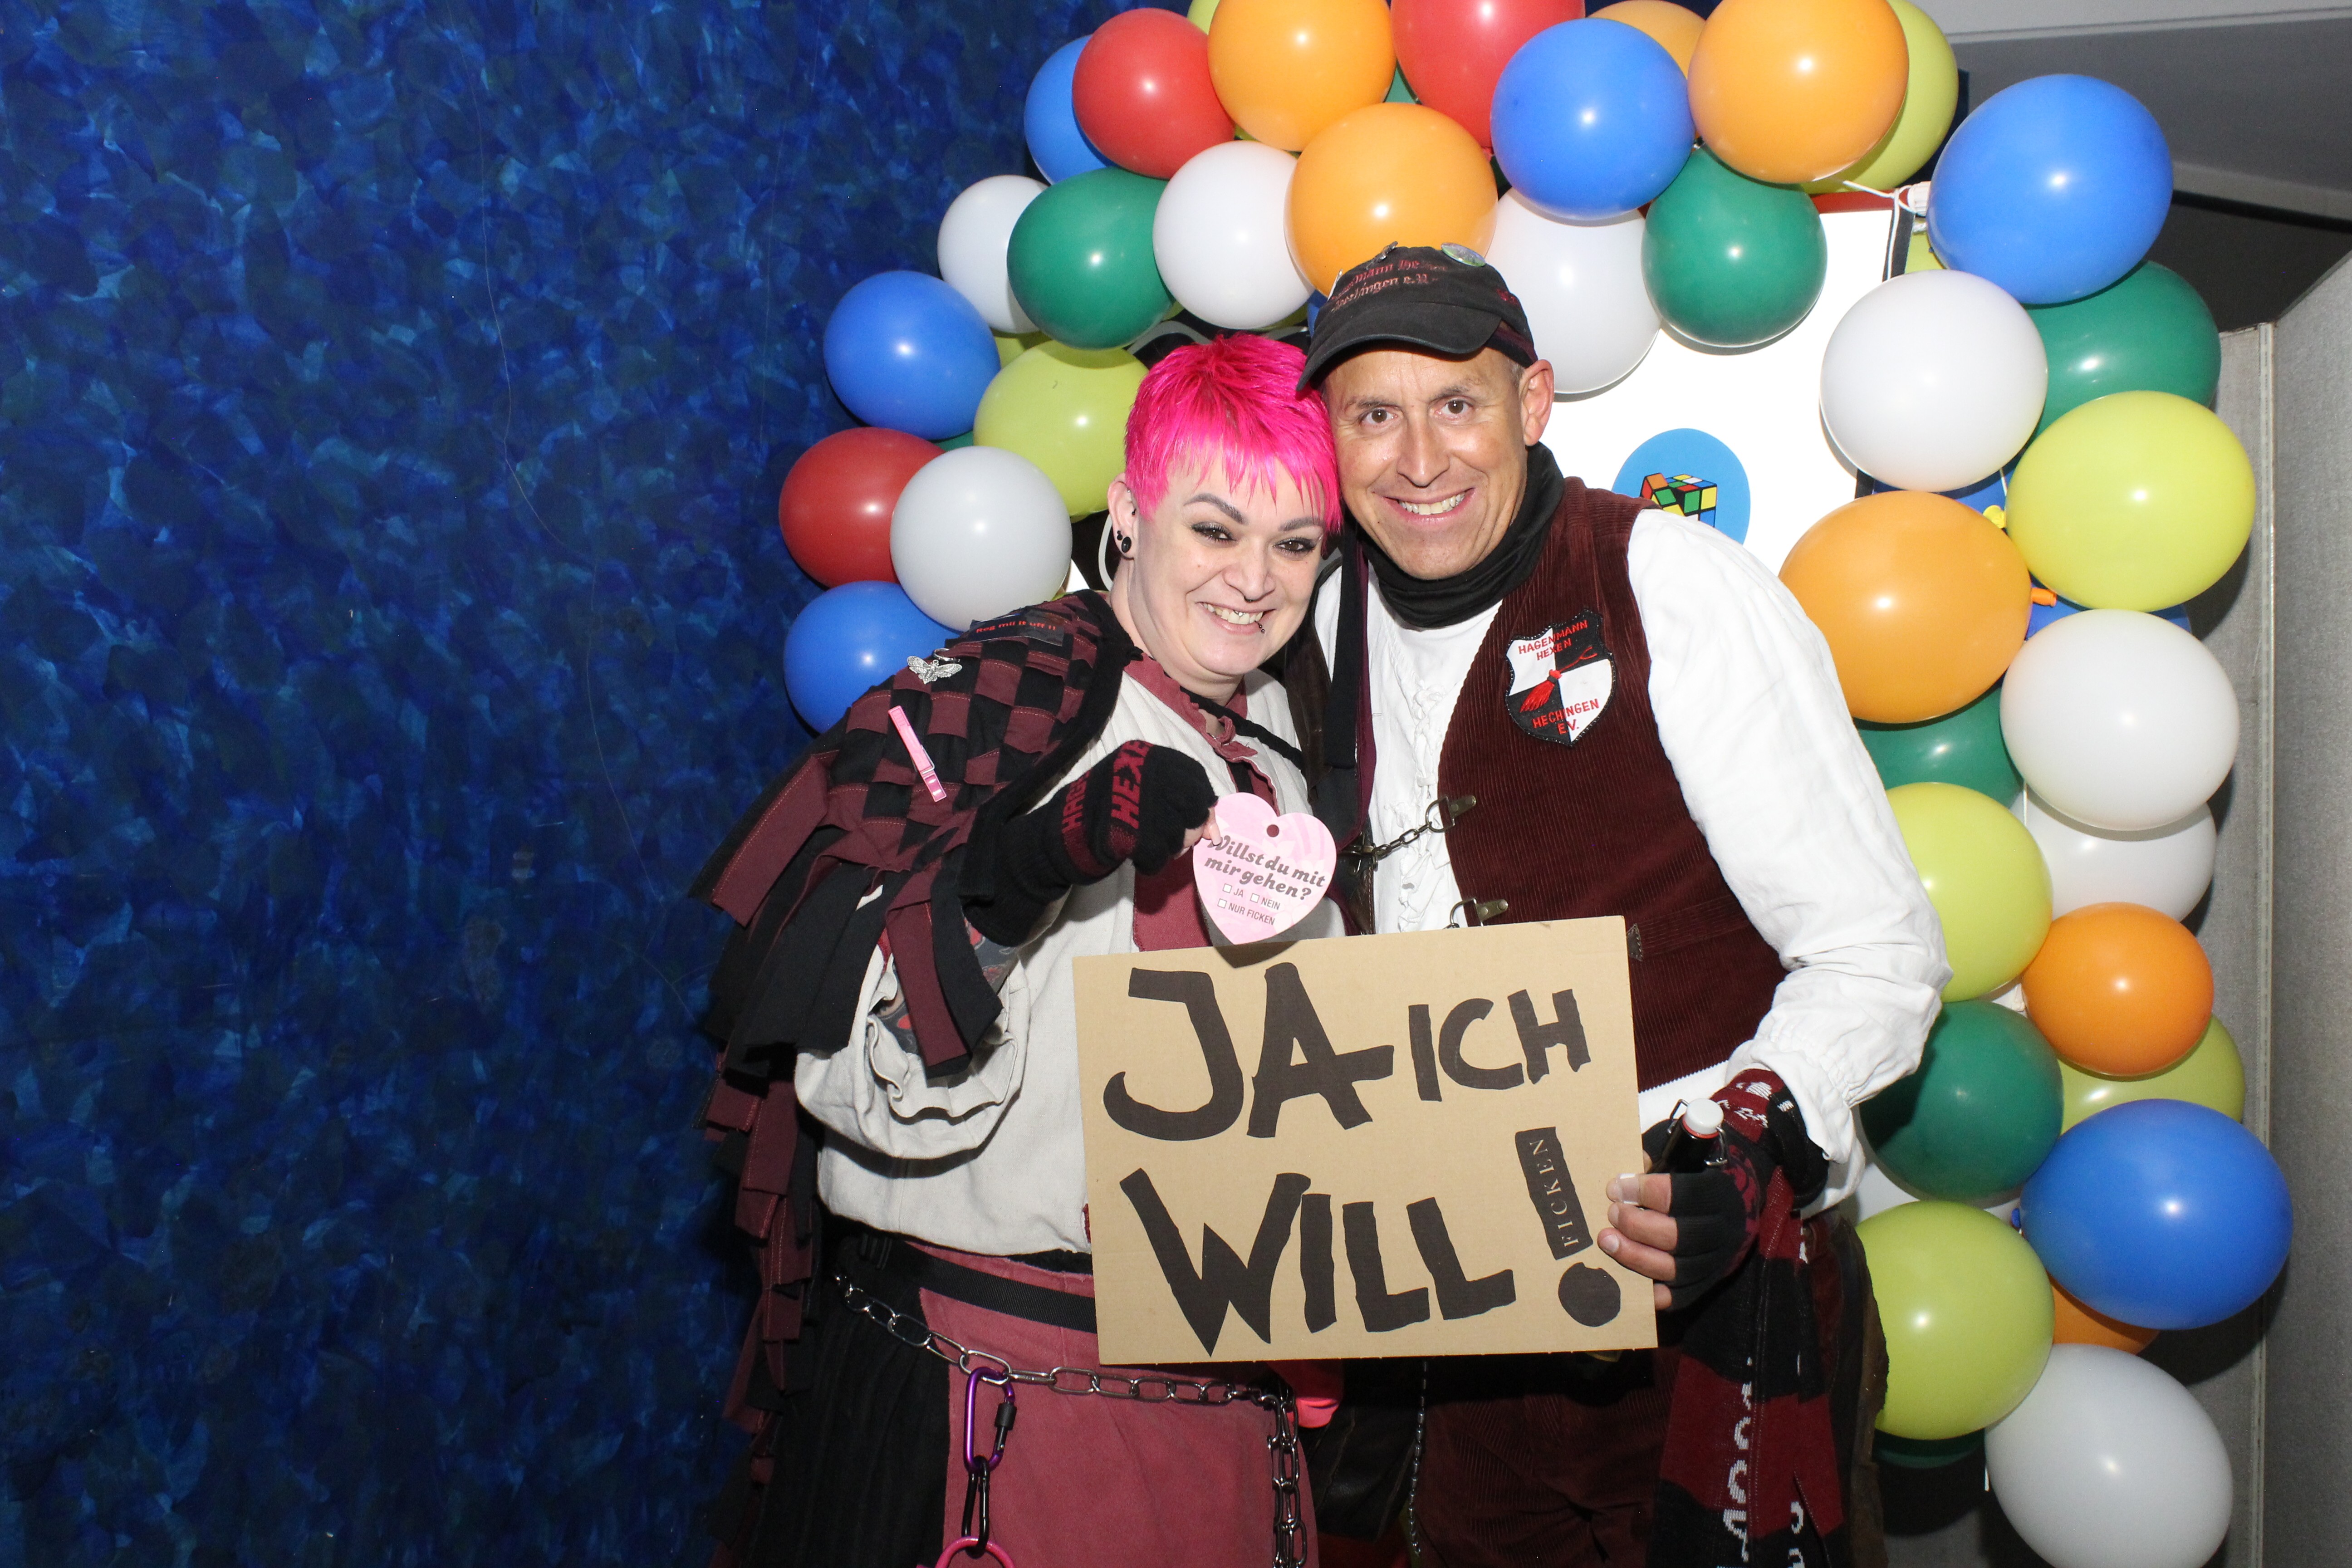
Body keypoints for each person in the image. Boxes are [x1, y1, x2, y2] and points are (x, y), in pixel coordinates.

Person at [1292, 245, 1950, 1568]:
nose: (1418, 458)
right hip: (1451, 1334)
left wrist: (1734, 1155)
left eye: (1458, 404)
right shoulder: (1301, 622)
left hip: (1702, 1301)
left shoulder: (1674, 586)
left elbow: (1876, 954)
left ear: (1533, 400)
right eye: (1373, 414)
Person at [689, 333, 1346, 1568]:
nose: (1256, 579)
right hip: (993, 1399)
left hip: (1221, 1410)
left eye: (1297, 542)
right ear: (1131, 515)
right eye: (1215, 529)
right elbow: (857, 1082)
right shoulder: (1001, 706)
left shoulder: (1282, 749)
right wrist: (1017, 879)